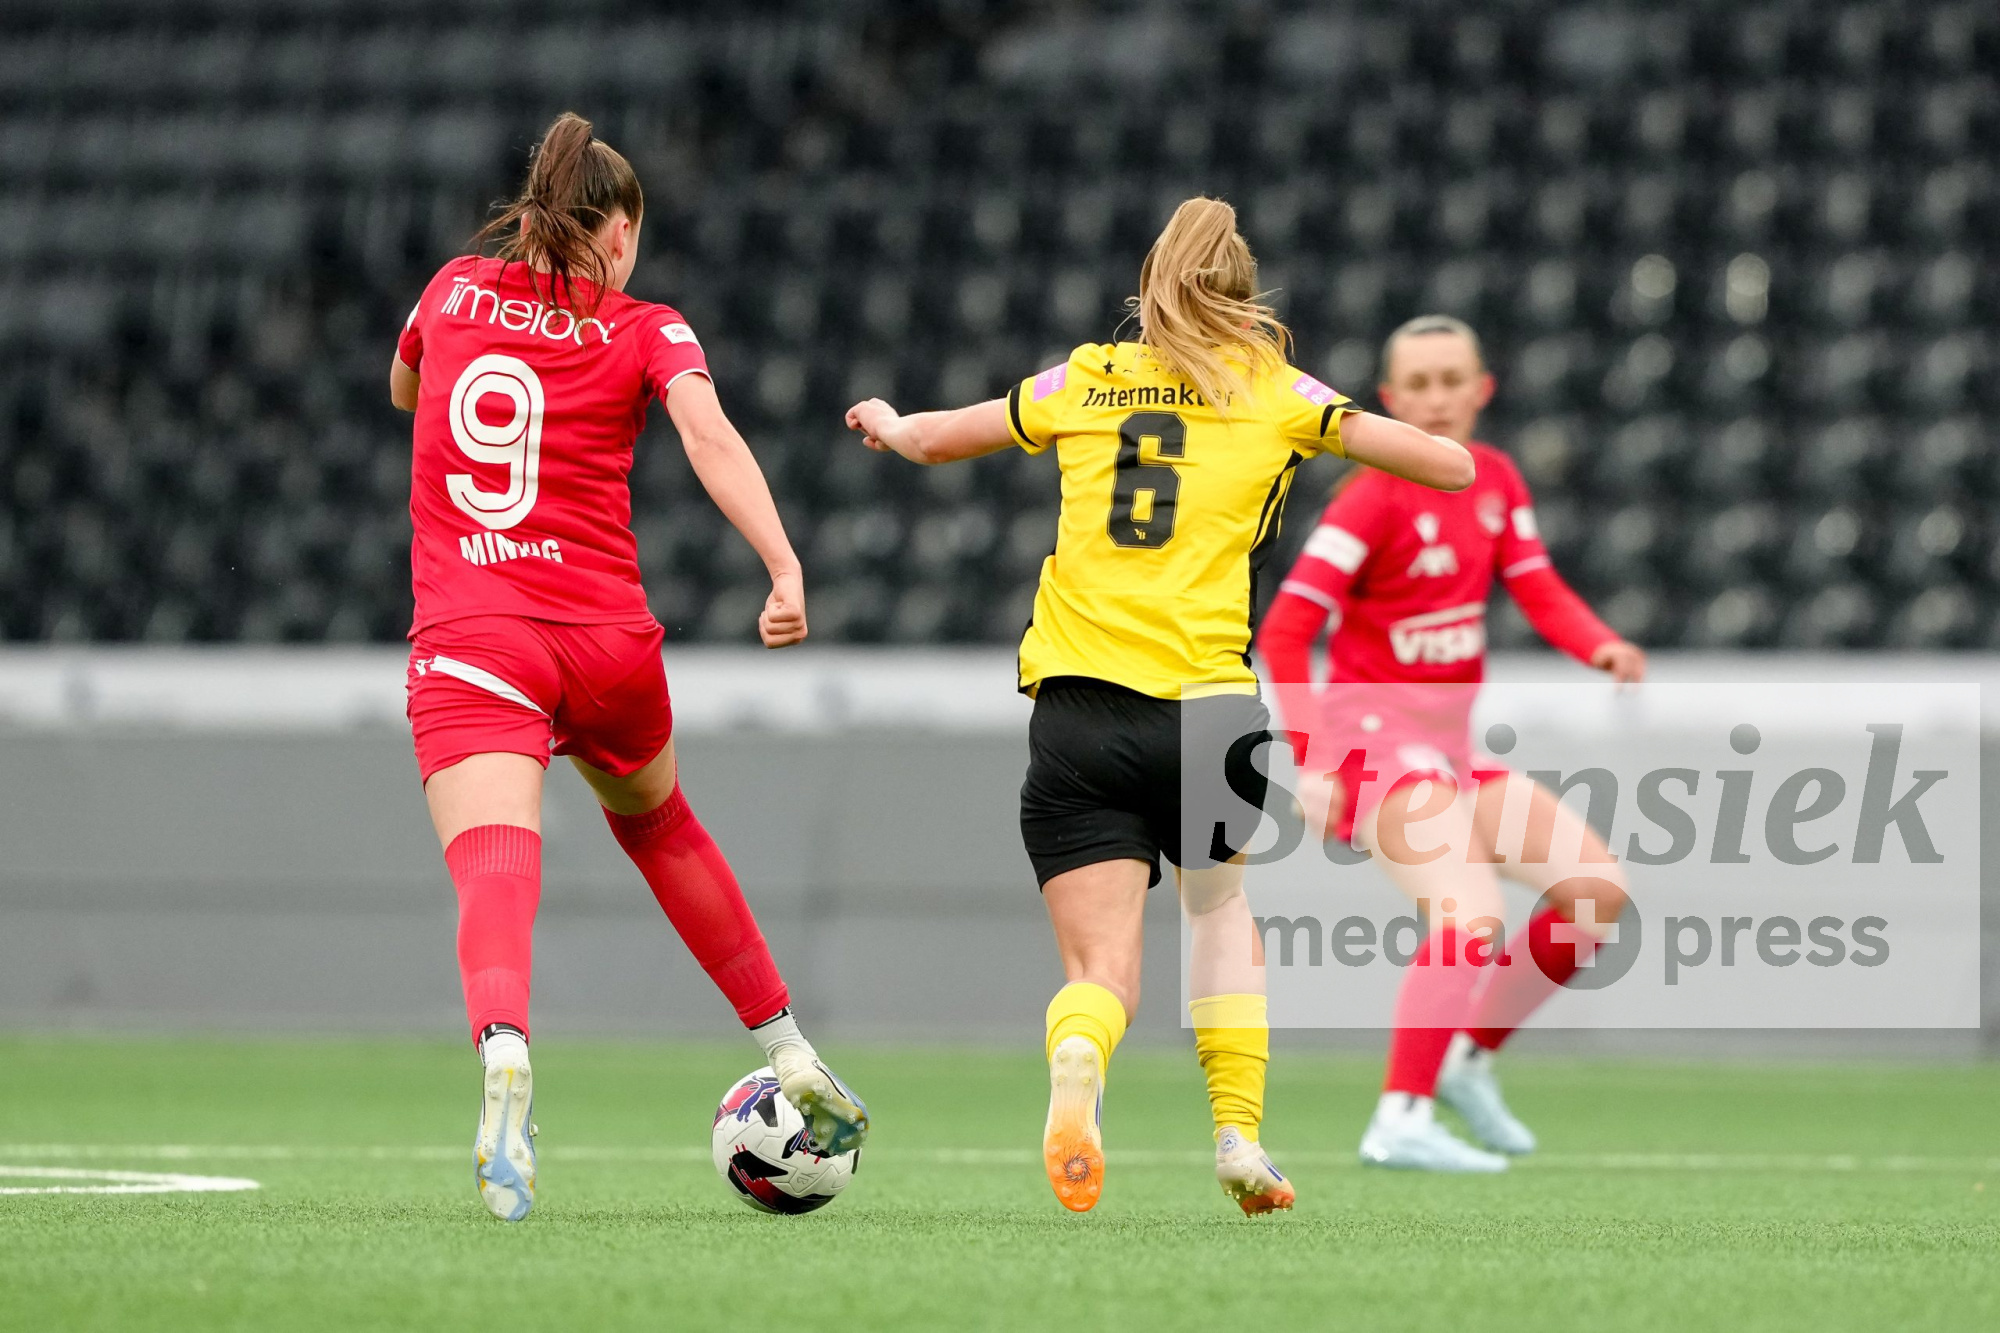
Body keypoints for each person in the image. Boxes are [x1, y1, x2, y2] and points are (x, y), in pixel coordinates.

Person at [844, 199, 1474, 1214]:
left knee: (1102, 970)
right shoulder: (1274, 391)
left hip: (1081, 705)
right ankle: (1237, 1134)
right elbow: (1448, 465)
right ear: (1244, 300)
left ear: (1149, 292)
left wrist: (885, 421)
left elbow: (931, 441)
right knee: (1218, 912)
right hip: (1213, 712)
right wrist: (1331, 419)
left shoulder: (1086, 376)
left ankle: (1080, 1055)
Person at [390, 112, 866, 1222]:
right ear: (618, 235)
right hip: (606, 645)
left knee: (495, 858)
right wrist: (782, 563)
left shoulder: (450, 289)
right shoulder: (648, 326)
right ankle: (789, 1049)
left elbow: (405, 388)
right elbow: (707, 436)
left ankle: (506, 1051)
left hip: (478, 637)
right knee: (660, 827)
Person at [1256, 314, 1645, 1172]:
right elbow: (1284, 630)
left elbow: (1537, 587)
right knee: (1470, 915)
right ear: (1389, 400)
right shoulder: (1371, 496)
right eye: (1418, 384)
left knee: (1595, 892)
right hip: (1375, 745)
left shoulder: (1496, 479)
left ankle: (1467, 1060)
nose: (1436, 398)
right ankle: (1401, 1116)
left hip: (1450, 751)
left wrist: (1601, 646)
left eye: (1451, 380)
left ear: (1482, 389)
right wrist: (1314, 761)